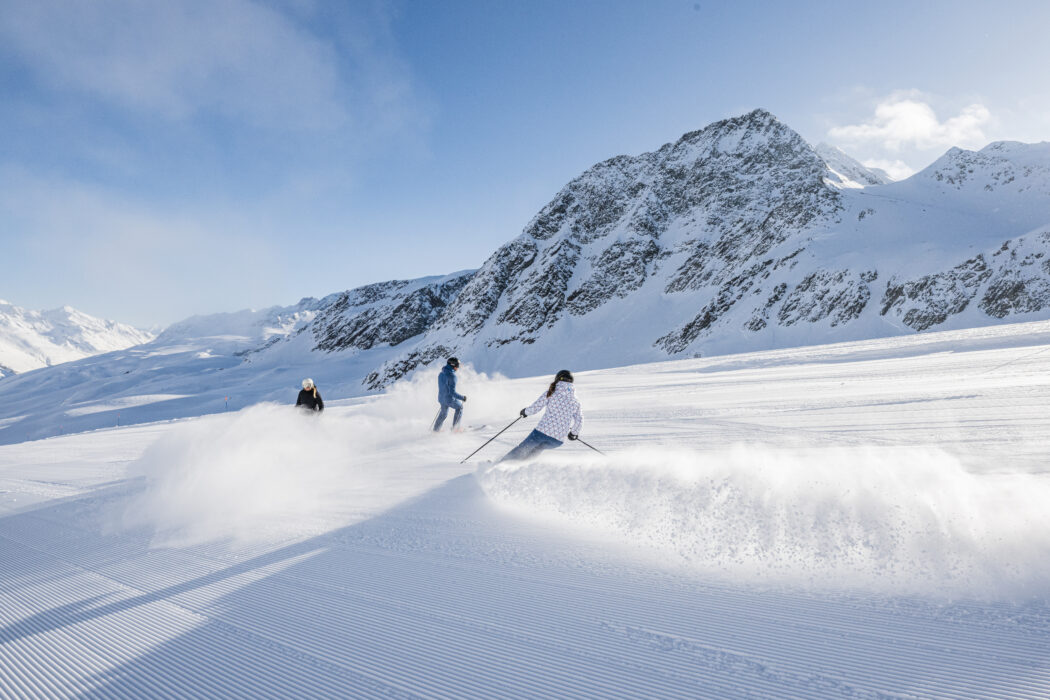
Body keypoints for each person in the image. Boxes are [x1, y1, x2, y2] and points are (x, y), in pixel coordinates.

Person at [499, 369, 582, 462]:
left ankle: (500, 465)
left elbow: (536, 407)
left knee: (522, 449)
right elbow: (579, 420)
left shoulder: (552, 392)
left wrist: (525, 412)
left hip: (542, 432)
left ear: (558, 379)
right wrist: (573, 433)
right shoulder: (576, 401)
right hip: (558, 441)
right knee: (537, 450)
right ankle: (520, 466)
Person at [433, 357, 467, 431]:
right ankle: (456, 429)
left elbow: (442, 387)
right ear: (453, 365)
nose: (458, 368)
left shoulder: (441, 373)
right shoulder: (452, 376)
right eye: (457, 366)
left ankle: (436, 430)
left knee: (443, 414)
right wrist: (462, 397)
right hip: (449, 399)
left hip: (441, 398)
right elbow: (452, 392)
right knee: (459, 408)